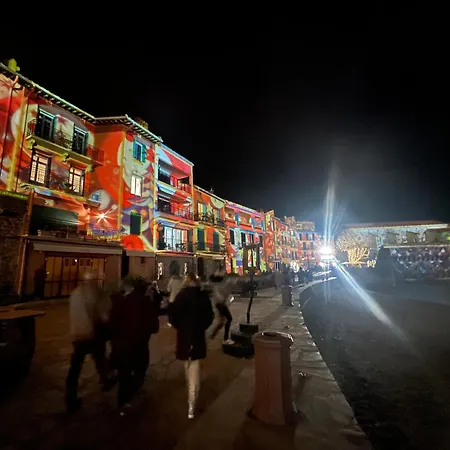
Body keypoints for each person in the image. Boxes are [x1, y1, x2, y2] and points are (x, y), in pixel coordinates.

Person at [110, 278, 160, 415]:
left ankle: (122, 401)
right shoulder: (147, 304)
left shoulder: (123, 302)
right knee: (140, 371)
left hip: (123, 345)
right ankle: (131, 394)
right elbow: (155, 327)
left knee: (124, 374)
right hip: (140, 345)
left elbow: (113, 322)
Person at [169, 273, 214, 419]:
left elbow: (172, 315)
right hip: (197, 337)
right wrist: (201, 327)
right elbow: (210, 317)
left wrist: (180, 327)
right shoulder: (203, 297)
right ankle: (192, 403)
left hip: (184, 337)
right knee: (194, 367)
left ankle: (191, 399)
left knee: (188, 365)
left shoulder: (181, 296)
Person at [65, 273, 110, 412]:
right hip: (90, 334)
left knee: (76, 366)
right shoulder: (93, 294)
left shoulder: (75, 294)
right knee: (99, 357)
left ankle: (70, 396)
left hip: (77, 334)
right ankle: (106, 380)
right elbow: (103, 315)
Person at [208, 273, 235, 345]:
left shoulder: (219, 285)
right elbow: (220, 296)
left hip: (220, 304)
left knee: (222, 321)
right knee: (229, 319)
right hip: (220, 304)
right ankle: (225, 339)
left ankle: (212, 335)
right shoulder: (219, 285)